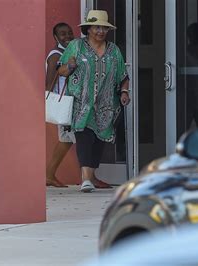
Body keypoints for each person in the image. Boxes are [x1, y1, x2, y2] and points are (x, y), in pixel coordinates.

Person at [58, 10, 130, 192]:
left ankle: (90, 176)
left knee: (99, 139)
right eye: (97, 27)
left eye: (104, 28)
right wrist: (71, 65)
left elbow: (123, 76)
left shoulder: (114, 50)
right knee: (84, 137)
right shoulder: (76, 46)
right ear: (88, 29)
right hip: (81, 103)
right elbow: (61, 71)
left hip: (106, 105)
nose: (101, 31)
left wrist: (124, 92)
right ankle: (86, 179)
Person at [45, 22, 74, 187]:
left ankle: (49, 174)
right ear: (55, 37)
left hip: (70, 101)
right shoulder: (56, 54)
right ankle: (49, 174)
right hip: (64, 103)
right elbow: (49, 81)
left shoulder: (69, 52)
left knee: (68, 139)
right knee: (66, 138)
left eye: (69, 32)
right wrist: (53, 101)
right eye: (63, 34)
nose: (68, 36)